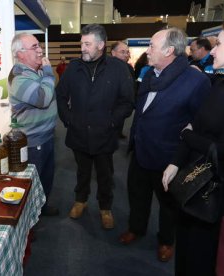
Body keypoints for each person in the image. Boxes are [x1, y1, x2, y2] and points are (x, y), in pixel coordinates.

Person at [119, 27, 211, 262]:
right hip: (140, 151)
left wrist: (180, 159)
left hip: (169, 158)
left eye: (151, 45)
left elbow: (199, 125)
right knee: (137, 195)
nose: (146, 50)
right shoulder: (150, 73)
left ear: (169, 50)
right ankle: (136, 228)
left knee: (168, 205)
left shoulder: (196, 81)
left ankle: (166, 241)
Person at [163, 21, 224, 275]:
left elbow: (223, 151)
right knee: (184, 255)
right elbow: (194, 126)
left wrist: (188, 135)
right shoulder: (219, 83)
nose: (213, 51)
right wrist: (175, 161)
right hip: (190, 181)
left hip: (214, 193)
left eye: (219, 44)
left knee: (202, 260)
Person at [56, 24, 134, 229]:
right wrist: (68, 120)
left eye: (87, 44)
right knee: (82, 171)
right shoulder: (74, 67)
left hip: (105, 135)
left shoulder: (118, 69)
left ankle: (105, 208)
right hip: (78, 133)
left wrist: (111, 122)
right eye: (82, 43)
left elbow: (127, 101)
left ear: (100, 45)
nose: (82, 48)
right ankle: (80, 200)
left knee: (105, 174)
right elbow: (61, 96)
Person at [8, 33, 59, 216]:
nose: (40, 50)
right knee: (29, 184)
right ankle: (29, 224)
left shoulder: (33, 71)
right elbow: (43, 98)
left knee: (45, 178)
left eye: (39, 46)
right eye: (35, 47)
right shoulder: (19, 77)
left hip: (46, 137)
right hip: (31, 143)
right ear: (20, 54)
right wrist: (48, 72)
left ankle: (42, 207)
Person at [111, 41, 136, 138]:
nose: (126, 55)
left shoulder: (129, 67)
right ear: (113, 53)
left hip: (124, 105)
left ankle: (118, 133)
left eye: (127, 52)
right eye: (122, 52)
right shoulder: (106, 68)